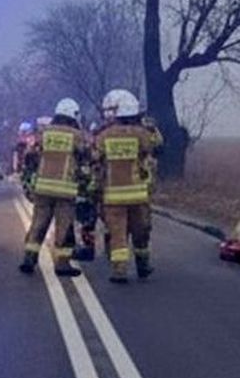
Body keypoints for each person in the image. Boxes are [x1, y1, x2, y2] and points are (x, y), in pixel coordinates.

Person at [92, 89, 163, 283]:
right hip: (138, 195)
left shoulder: (104, 135)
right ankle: (143, 266)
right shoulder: (142, 134)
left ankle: (119, 271)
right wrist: (151, 128)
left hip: (113, 196)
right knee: (141, 232)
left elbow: (94, 159)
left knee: (117, 235)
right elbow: (157, 147)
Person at [19, 99, 90, 277]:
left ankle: (29, 258)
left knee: (38, 223)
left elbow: (30, 157)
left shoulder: (44, 133)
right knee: (63, 227)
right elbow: (86, 156)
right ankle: (62, 264)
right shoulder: (77, 135)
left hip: (43, 188)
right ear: (73, 115)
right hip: (65, 190)